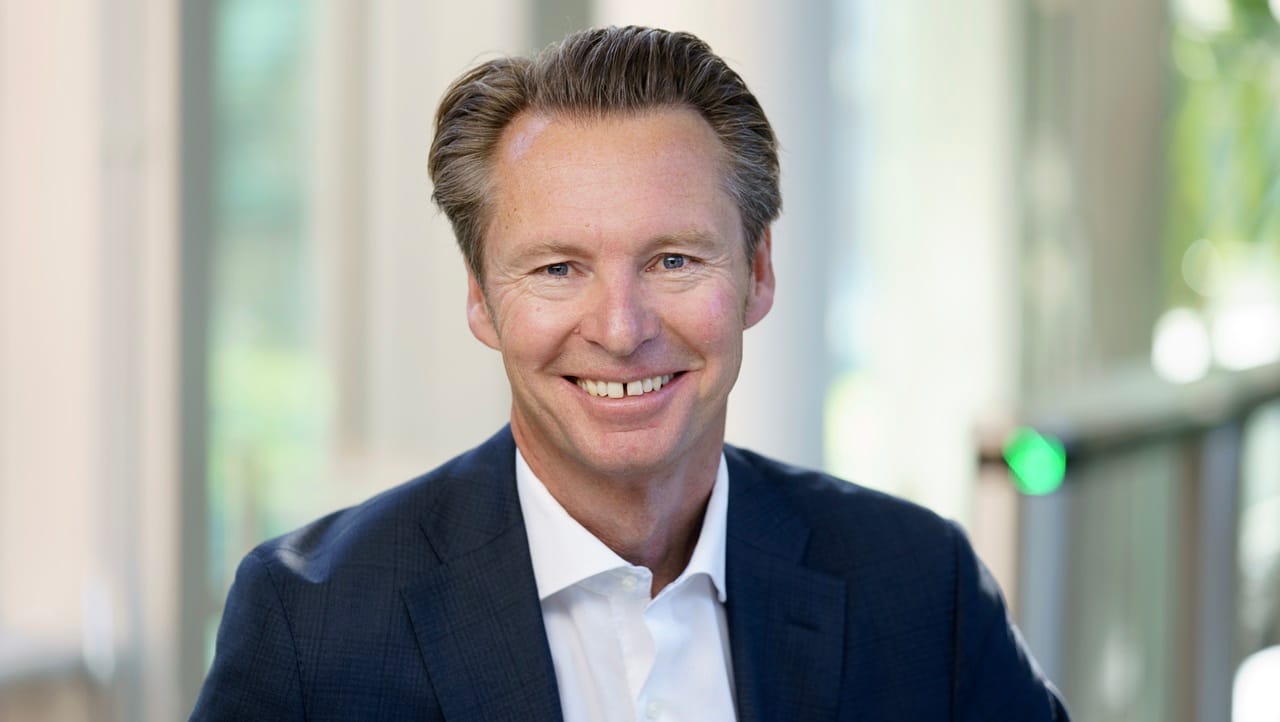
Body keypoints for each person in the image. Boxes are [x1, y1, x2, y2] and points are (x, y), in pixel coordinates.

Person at [191, 25, 1069, 721]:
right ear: (480, 299)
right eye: (557, 269)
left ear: (758, 272)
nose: (621, 329)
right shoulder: (315, 625)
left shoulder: (918, 588)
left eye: (675, 260)